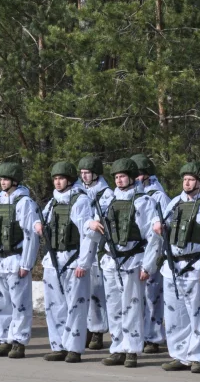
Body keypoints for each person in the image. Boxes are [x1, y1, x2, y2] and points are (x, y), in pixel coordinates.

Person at [153, 162, 200, 373]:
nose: (186, 182)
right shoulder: (175, 203)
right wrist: (159, 228)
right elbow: (161, 227)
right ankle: (179, 354)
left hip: (197, 265)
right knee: (176, 314)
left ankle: (198, 357)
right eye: (184, 179)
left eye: (191, 179)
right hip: (173, 266)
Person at [90, 158, 162, 368]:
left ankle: (131, 350)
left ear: (131, 177)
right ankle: (117, 347)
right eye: (116, 177)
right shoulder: (108, 200)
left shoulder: (143, 201)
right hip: (111, 261)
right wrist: (91, 224)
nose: (119, 180)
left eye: (122, 176)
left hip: (133, 260)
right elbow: (94, 226)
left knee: (132, 306)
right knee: (113, 307)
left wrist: (148, 266)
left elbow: (154, 237)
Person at [38, 162, 98, 363]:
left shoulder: (80, 200)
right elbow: (41, 222)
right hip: (53, 260)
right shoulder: (53, 202)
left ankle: (74, 347)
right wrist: (37, 225)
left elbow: (87, 233)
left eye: (61, 178)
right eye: (55, 178)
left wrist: (84, 263)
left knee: (76, 306)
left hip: (73, 259)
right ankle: (58, 345)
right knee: (54, 306)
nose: (57, 182)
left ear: (70, 180)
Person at [0, 162, 39, 359]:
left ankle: (18, 341)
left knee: (19, 303)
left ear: (15, 180)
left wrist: (26, 263)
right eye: (1, 179)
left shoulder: (24, 203)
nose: (2, 182)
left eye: (5, 179)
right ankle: (2, 339)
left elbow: (30, 235)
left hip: (16, 259)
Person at [131, 154, 169, 354]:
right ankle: (139, 333)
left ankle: (153, 336)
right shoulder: (131, 194)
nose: (135, 178)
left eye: (138, 174)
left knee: (153, 294)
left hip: (152, 248)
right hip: (135, 250)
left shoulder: (158, 195)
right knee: (139, 296)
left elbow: (161, 227)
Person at [78, 156, 111, 349]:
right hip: (79, 246)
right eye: (82, 173)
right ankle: (85, 327)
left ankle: (97, 330)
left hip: (97, 247)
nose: (84, 176)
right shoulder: (79, 191)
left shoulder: (106, 194)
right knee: (83, 292)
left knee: (97, 291)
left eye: (87, 173)